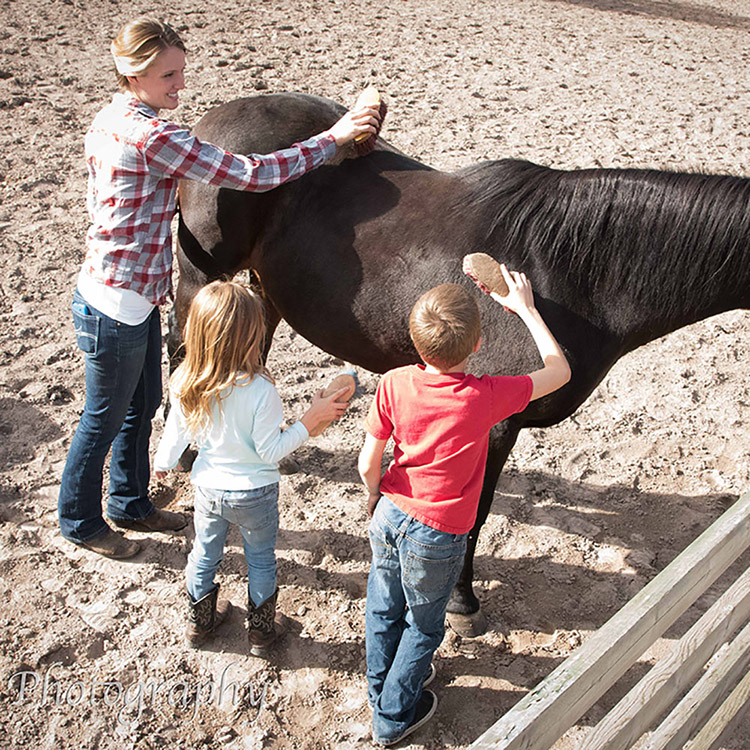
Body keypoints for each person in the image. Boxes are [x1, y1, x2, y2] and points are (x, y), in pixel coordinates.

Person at [57, 17, 383, 559]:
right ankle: (80, 519)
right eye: (168, 76)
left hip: (126, 292)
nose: (180, 86)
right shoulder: (152, 136)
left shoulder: (112, 117)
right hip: (115, 304)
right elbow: (250, 173)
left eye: (181, 71)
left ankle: (129, 500)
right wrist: (332, 139)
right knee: (103, 417)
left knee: (139, 406)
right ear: (132, 73)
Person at [357, 266, 571, 746]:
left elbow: (368, 461)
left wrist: (374, 495)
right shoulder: (484, 396)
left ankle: (380, 689)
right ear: (477, 346)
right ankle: (391, 718)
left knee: (383, 608)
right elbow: (559, 371)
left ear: (416, 343)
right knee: (425, 626)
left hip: (390, 512)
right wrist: (527, 310)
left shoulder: (392, 383)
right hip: (439, 531)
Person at [152, 280, 350, 652]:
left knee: (204, 554)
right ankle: (260, 631)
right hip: (255, 494)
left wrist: (163, 462)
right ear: (252, 336)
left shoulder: (185, 381)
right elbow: (270, 451)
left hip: (209, 489)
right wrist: (310, 419)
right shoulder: (260, 390)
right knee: (259, 559)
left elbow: (175, 430)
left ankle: (199, 623)